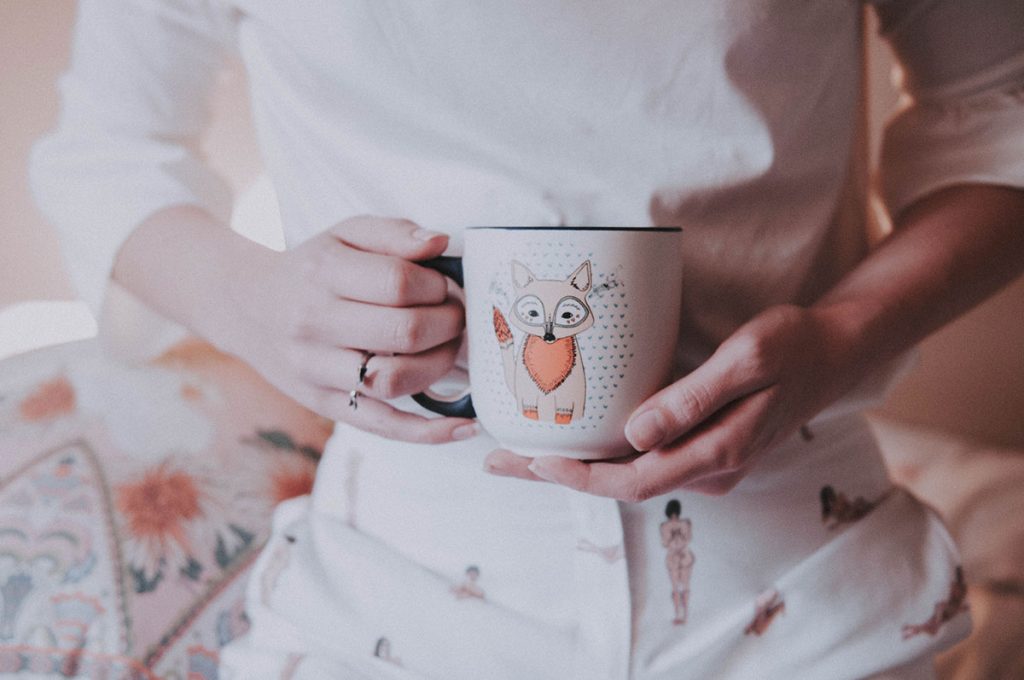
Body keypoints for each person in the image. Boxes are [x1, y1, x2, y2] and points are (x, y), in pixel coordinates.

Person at [29, 1, 1024, 678]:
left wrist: (845, 333)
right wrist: (252, 300)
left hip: (808, 598)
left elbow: (999, 114)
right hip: (384, 601)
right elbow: (108, 152)